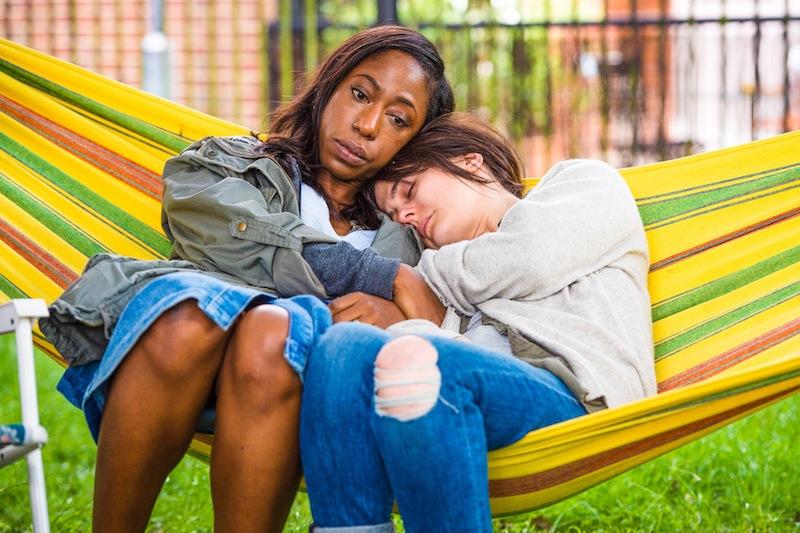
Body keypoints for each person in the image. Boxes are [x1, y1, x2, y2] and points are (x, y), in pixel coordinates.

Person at [39, 26, 453, 533]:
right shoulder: (235, 164)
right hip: (188, 354)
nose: (366, 125)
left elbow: (461, 307)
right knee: (188, 314)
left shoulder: (419, 231)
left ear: (417, 142)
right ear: (329, 86)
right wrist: (378, 278)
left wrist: (397, 315)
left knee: (273, 332)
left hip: (307, 382)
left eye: (397, 119)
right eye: (361, 94)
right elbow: (222, 231)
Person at [297, 113, 657, 532]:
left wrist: (411, 281)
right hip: (471, 386)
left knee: (422, 363)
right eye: (395, 216)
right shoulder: (445, 290)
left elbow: (530, 258)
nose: (407, 215)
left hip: (580, 391)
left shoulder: (582, 184)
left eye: (408, 191)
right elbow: (431, 341)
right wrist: (414, 303)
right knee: (341, 349)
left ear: (469, 161)